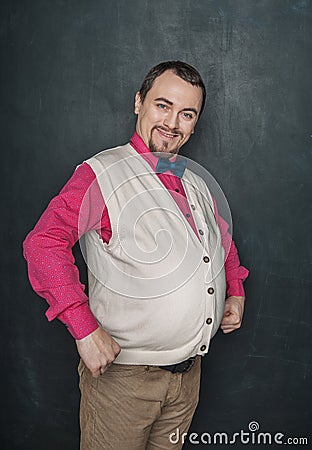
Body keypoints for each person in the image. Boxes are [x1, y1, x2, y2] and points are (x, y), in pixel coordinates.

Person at [23, 61, 249, 450]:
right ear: (139, 102)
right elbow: (43, 243)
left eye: (187, 113)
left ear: (195, 123)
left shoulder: (195, 181)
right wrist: (84, 327)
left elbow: (221, 240)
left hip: (187, 380)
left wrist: (236, 289)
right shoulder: (102, 174)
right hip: (124, 383)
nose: (172, 122)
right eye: (163, 105)